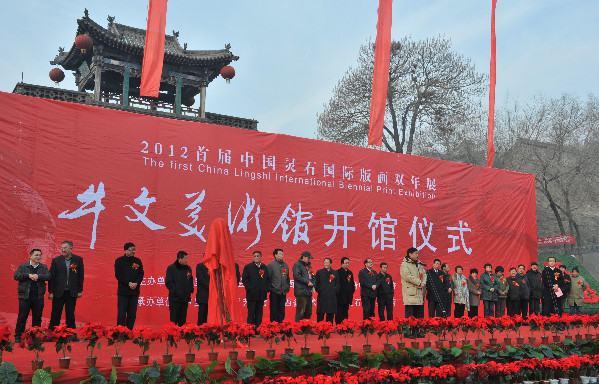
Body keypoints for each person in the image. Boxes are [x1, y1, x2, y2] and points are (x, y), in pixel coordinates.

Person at [14, 249, 50, 342]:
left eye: (40, 255)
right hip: (25, 297)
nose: (38, 257)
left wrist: (38, 276)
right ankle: (18, 337)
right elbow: (16, 276)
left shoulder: (43, 267)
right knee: (22, 317)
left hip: (38, 297)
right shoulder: (23, 266)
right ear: (30, 256)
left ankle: (36, 337)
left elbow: (48, 276)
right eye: (36, 255)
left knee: (37, 318)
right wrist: (28, 275)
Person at [49, 241, 84, 329]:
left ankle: (71, 334)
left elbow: (80, 276)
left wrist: (79, 290)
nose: (63, 250)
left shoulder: (78, 260)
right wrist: (51, 292)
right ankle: (52, 334)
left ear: (71, 249)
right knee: (55, 314)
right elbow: (51, 277)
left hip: (71, 292)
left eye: (65, 248)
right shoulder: (56, 260)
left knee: (70, 314)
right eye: (62, 248)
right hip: (58, 291)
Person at [114, 242, 144, 329]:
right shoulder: (119, 261)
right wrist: (128, 283)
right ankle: (120, 331)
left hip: (134, 291)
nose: (132, 252)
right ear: (125, 250)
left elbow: (141, 274)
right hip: (123, 291)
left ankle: (129, 331)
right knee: (122, 313)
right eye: (130, 250)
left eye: (134, 250)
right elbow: (118, 275)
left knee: (132, 313)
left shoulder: (138, 261)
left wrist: (136, 283)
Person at [400, 248, 426, 338]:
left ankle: (416, 332)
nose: (417, 255)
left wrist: (423, 283)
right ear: (409, 254)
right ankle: (407, 332)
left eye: (417, 253)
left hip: (419, 292)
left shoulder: (419, 264)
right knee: (409, 315)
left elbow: (424, 275)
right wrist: (419, 282)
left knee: (418, 314)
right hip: (410, 293)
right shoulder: (404, 265)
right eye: (415, 253)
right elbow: (407, 276)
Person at [242, 250, 270, 328]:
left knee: (259, 313)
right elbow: (245, 279)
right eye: (255, 256)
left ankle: (258, 329)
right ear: (253, 257)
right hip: (252, 294)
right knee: (251, 313)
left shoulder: (264, 267)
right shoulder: (248, 267)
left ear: (261, 257)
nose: (256, 257)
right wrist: (250, 288)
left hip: (261, 294)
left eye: (258, 256)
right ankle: (250, 330)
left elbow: (268, 279)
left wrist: (266, 288)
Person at [165, 251, 194, 326]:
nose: (186, 260)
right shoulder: (171, 268)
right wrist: (175, 291)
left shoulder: (188, 268)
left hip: (185, 298)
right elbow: (168, 282)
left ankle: (182, 335)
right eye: (185, 259)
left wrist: (190, 290)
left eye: (187, 258)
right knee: (174, 319)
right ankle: (173, 336)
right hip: (175, 299)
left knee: (183, 319)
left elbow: (190, 280)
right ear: (179, 259)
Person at [267, 248, 290, 322]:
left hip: (283, 292)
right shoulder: (271, 265)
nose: (282, 255)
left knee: (281, 309)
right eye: (280, 254)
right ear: (275, 255)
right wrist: (270, 288)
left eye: (282, 254)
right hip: (274, 291)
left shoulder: (285, 265)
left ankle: (281, 326)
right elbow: (268, 278)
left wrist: (287, 288)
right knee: (273, 309)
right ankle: (274, 326)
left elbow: (287, 278)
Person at [314, 258, 340, 322]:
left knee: (330, 313)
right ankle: (320, 328)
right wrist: (320, 290)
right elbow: (316, 283)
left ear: (331, 264)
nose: (326, 264)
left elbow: (337, 284)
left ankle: (329, 328)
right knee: (320, 313)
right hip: (322, 295)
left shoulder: (335, 272)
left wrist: (334, 290)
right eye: (325, 262)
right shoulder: (319, 272)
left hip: (331, 296)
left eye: (327, 262)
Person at [293, 251, 315, 321]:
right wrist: (307, 282)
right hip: (301, 291)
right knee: (300, 311)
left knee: (308, 311)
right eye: (308, 258)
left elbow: (313, 277)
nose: (309, 260)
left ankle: (306, 328)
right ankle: (298, 328)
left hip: (308, 291)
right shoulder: (297, 265)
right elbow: (297, 276)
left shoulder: (309, 266)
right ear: (304, 257)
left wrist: (313, 286)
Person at [335, 257, 355, 324]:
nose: (347, 264)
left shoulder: (350, 273)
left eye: (348, 263)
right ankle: (339, 325)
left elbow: (352, 283)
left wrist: (352, 291)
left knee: (346, 311)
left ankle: (345, 325)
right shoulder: (338, 272)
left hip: (348, 296)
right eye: (346, 263)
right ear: (342, 264)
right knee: (339, 311)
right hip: (340, 296)